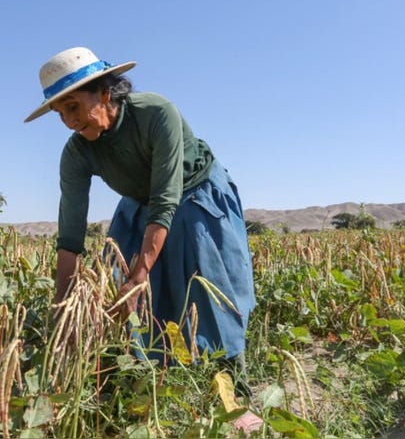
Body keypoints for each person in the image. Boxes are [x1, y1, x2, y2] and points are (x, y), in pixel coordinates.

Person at [25, 47, 262, 433]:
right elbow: (70, 234)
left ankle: (233, 399)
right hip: (139, 204)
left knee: (208, 292)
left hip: (194, 195)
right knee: (117, 287)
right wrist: (63, 307)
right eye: (60, 113)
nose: (69, 122)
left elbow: (167, 198)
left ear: (104, 93)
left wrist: (140, 277)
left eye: (73, 107)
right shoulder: (77, 153)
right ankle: (141, 379)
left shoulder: (155, 113)